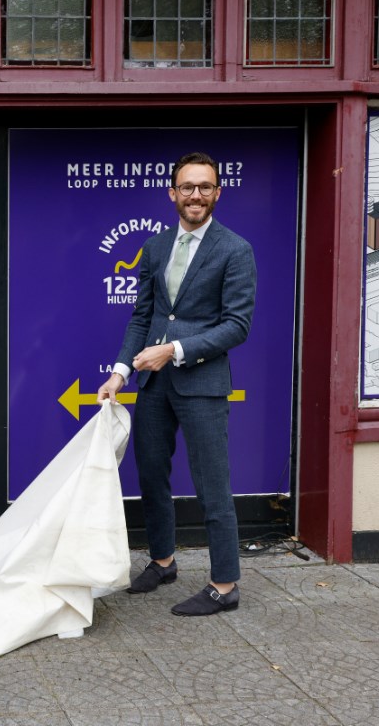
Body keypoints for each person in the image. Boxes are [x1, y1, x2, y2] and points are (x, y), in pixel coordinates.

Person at [97, 152, 256, 617]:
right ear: (173, 192)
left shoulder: (235, 249)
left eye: (205, 187)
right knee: (151, 475)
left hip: (202, 382)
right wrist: (121, 372)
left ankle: (224, 585)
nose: (196, 196)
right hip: (154, 386)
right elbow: (143, 317)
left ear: (217, 193)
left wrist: (175, 351)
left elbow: (237, 326)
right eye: (188, 187)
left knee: (212, 486)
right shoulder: (155, 247)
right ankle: (163, 562)